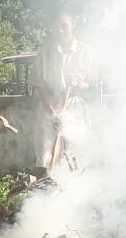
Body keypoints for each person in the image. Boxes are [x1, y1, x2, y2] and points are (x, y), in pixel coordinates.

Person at [31, 12, 95, 178]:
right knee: (45, 155)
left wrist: (79, 84)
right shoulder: (44, 52)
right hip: (48, 108)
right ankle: (44, 194)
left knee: (74, 153)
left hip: (74, 107)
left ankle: (73, 195)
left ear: (73, 24)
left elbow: (94, 84)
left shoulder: (85, 52)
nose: (59, 30)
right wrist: (52, 113)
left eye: (64, 25)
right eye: (56, 26)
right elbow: (38, 85)